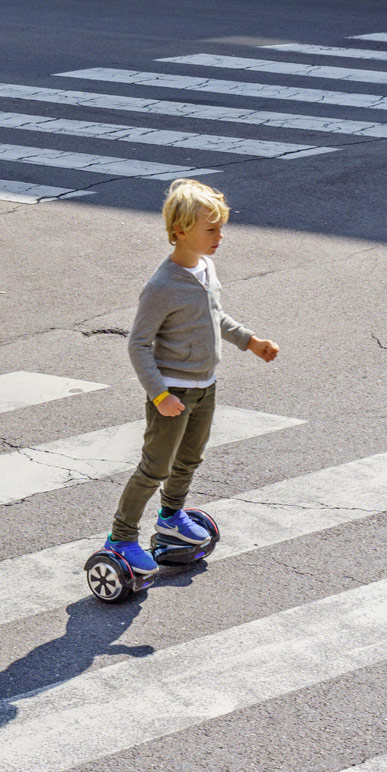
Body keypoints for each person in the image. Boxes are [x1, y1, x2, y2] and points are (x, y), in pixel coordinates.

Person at [105, 178, 280, 573]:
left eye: (221, 227)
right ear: (181, 231)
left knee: (189, 460)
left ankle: (171, 518)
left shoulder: (205, 267)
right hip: (174, 392)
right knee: (155, 468)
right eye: (212, 229)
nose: (221, 236)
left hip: (205, 387)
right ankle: (121, 536)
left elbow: (214, 315)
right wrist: (159, 394)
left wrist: (249, 341)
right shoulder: (162, 286)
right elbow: (138, 345)